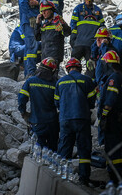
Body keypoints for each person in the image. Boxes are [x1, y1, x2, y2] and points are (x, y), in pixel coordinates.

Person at [54, 58, 97, 186]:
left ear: (67, 69)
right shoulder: (87, 80)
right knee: (84, 149)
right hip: (82, 118)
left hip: (66, 119)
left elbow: (57, 102)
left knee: (65, 147)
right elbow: (91, 102)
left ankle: (62, 176)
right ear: (79, 68)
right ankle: (84, 178)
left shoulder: (60, 82)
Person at [97, 50, 122, 183]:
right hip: (117, 117)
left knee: (112, 146)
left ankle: (115, 177)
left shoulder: (114, 78)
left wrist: (104, 115)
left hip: (112, 118)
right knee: (115, 146)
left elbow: (110, 100)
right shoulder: (119, 76)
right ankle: (118, 174)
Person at [18, 57, 60, 151]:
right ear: (53, 71)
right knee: (53, 151)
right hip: (52, 122)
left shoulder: (31, 81)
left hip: (37, 122)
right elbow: (60, 103)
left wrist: (23, 112)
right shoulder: (55, 84)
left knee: (38, 151)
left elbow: (21, 98)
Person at [70, 0, 105, 78]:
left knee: (91, 65)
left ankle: (89, 82)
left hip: (91, 43)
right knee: (74, 63)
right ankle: (73, 79)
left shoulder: (97, 10)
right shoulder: (78, 9)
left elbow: (102, 26)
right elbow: (73, 25)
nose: (88, 0)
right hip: (79, 41)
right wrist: (73, 39)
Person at [18, 0, 41, 78]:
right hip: (29, 22)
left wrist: (38, 3)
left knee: (30, 47)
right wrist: (30, 17)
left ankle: (28, 72)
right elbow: (23, 5)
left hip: (34, 21)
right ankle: (31, 72)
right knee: (32, 47)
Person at [35, 0, 71, 64]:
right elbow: (37, 38)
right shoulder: (44, 25)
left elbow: (68, 33)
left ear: (51, 10)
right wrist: (37, 24)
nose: (44, 13)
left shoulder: (58, 22)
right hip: (44, 57)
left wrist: (63, 23)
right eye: (42, 11)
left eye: (46, 10)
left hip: (55, 57)